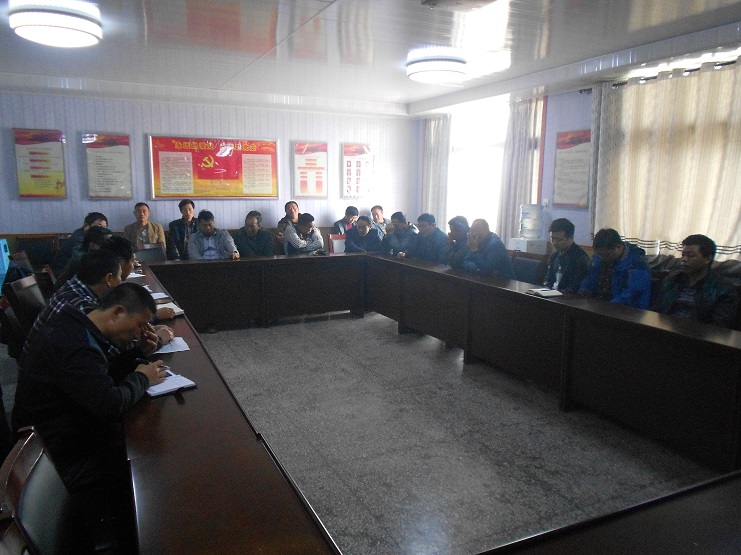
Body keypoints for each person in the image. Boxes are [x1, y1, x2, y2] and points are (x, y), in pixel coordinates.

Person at [13, 283, 167, 494]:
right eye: (139, 325)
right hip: (59, 456)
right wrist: (142, 378)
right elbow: (110, 405)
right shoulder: (77, 346)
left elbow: (97, 375)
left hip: (64, 431)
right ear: (118, 312)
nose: (138, 334)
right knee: (153, 455)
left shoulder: (73, 324)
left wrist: (139, 353)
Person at [653, 234, 739, 327]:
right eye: (683, 255)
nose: (684, 259)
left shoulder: (723, 289)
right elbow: (657, 311)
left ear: (708, 259)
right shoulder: (671, 280)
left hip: (698, 334)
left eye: (691, 255)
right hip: (665, 330)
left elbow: (718, 326)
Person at [578, 228, 651, 309]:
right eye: (599, 255)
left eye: (606, 255)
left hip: (628, 310)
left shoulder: (637, 263)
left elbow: (633, 293)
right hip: (601, 305)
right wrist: (584, 290)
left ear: (618, 247)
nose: (602, 258)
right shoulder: (598, 257)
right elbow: (590, 277)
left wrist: (607, 306)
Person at [51, 211, 108, 276]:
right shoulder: (80, 239)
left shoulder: (81, 233)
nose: (102, 230)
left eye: (104, 228)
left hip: (68, 273)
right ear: (86, 226)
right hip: (63, 275)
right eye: (98, 226)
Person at [543, 218, 590, 293]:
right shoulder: (554, 256)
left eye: (559, 240)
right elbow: (548, 280)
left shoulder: (580, 258)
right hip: (551, 294)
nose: (554, 243)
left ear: (571, 238)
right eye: (552, 238)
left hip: (567, 297)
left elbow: (576, 286)